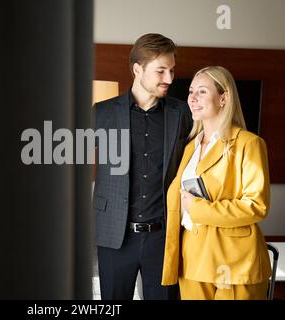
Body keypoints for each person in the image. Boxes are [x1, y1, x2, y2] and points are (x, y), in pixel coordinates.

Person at [93, 33, 192, 300]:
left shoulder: (182, 113)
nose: (169, 79)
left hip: (165, 237)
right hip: (115, 235)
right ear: (138, 69)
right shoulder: (101, 113)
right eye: (161, 70)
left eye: (172, 71)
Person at [161, 66, 272, 300]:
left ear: (224, 98)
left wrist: (199, 208)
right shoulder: (189, 147)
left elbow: (256, 205)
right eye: (191, 91)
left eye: (202, 91)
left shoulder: (248, 144)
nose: (192, 98)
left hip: (233, 261)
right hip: (192, 259)